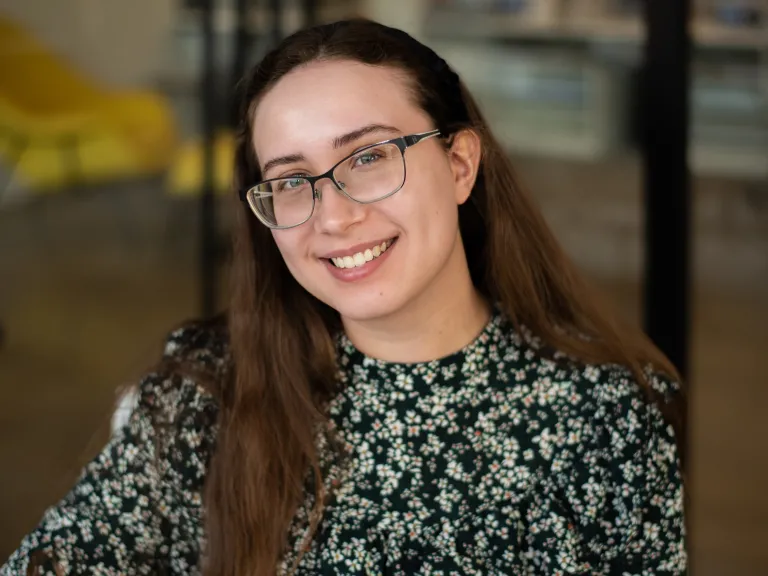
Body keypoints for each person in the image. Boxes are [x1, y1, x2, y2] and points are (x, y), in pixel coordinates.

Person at [2, 18, 687, 576]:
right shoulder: (208, 388)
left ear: (459, 165)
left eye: (367, 157)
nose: (333, 218)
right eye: (292, 181)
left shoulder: (610, 414)